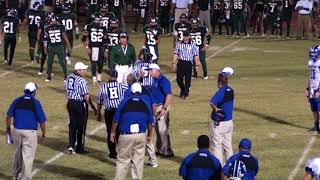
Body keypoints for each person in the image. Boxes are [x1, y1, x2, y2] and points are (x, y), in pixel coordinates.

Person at [111, 82, 154, 180]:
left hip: (126, 135)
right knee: (138, 161)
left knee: (123, 161)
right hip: (141, 135)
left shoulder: (124, 102)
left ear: (131, 91)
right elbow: (150, 122)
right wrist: (149, 136)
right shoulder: (145, 103)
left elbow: (115, 120)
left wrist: (112, 132)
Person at [6, 82, 46, 180]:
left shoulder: (17, 100)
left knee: (17, 155)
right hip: (29, 133)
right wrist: (44, 133)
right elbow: (42, 120)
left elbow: (8, 116)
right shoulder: (35, 102)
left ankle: (14, 176)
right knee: (28, 156)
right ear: (34, 92)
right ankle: (26, 177)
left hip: (16, 131)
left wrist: (8, 130)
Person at [65, 62, 97, 154]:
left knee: (72, 124)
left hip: (70, 102)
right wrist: (93, 108)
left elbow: (66, 90)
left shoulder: (69, 77)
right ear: (78, 70)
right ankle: (79, 147)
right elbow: (86, 96)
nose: (85, 71)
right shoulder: (81, 80)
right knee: (81, 126)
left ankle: (71, 145)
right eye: (83, 70)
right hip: (79, 103)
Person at [97, 69, 128, 159]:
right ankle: (122, 151)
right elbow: (131, 92)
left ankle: (112, 152)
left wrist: (98, 113)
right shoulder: (122, 86)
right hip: (119, 111)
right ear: (117, 77)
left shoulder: (103, 87)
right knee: (120, 131)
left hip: (109, 112)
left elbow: (99, 102)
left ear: (110, 76)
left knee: (110, 131)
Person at [147, 63, 174, 158]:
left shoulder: (163, 81)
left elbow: (169, 95)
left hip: (161, 106)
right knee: (158, 130)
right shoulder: (155, 80)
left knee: (163, 130)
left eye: (151, 70)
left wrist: (164, 108)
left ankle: (167, 150)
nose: (149, 72)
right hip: (156, 107)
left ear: (156, 70)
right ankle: (160, 149)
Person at [209, 72, 235, 164]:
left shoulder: (221, 92)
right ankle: (231, 168)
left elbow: (212, 102)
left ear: (219, 82)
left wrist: (216, 109)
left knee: (217, 147)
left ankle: (219, 170)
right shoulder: (231, 90)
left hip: (220, 124)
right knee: (228, 146)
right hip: (229, 123)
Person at [172, 30, 200, 99]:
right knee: (179, 79)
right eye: (184, 36)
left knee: (188, 80)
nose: (185, 38)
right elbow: (176, 53)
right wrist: (173, 62)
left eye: (187, 36)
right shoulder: (179, 43)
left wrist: (197, 65)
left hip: (188, 63)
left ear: (189, 36)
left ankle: (185, 93)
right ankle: (183, 89)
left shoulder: (193, 44)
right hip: (181, 62)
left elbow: (195, 55)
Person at [44, 14, 71, 82]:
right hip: (51, 47)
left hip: (60, 46)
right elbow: (45, 39)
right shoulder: (47, 28)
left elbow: (65, 37)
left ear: (57, 21)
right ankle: (49, 76)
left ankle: (66, 75)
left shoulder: (61, 27)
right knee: (49, 62)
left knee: (62, 62)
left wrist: (69, 46)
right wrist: (45, 48)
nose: (53, 23)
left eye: (54, 21)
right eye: (52, 21)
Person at [82, 13, 107, 84]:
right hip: (92, 47)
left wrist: (106, 50)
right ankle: (94, 77)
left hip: (101, 47)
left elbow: (105, 40)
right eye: (97, 20)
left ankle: (99, 75)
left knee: (101, 63)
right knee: (93, 63)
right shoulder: (89, 27)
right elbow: (84, 39)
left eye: (99, 21)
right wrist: (87, 47)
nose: (99, 22)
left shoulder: (103, 28)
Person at [306, 45, 320, 133]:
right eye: (312, 53)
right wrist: (307, 88)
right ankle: (316, 126)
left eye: (314, 53)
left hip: (318, 87)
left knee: (319, 109)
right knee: (314, 109)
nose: (313, 55)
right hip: (312, 88)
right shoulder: (310, 62)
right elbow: (311, 77)